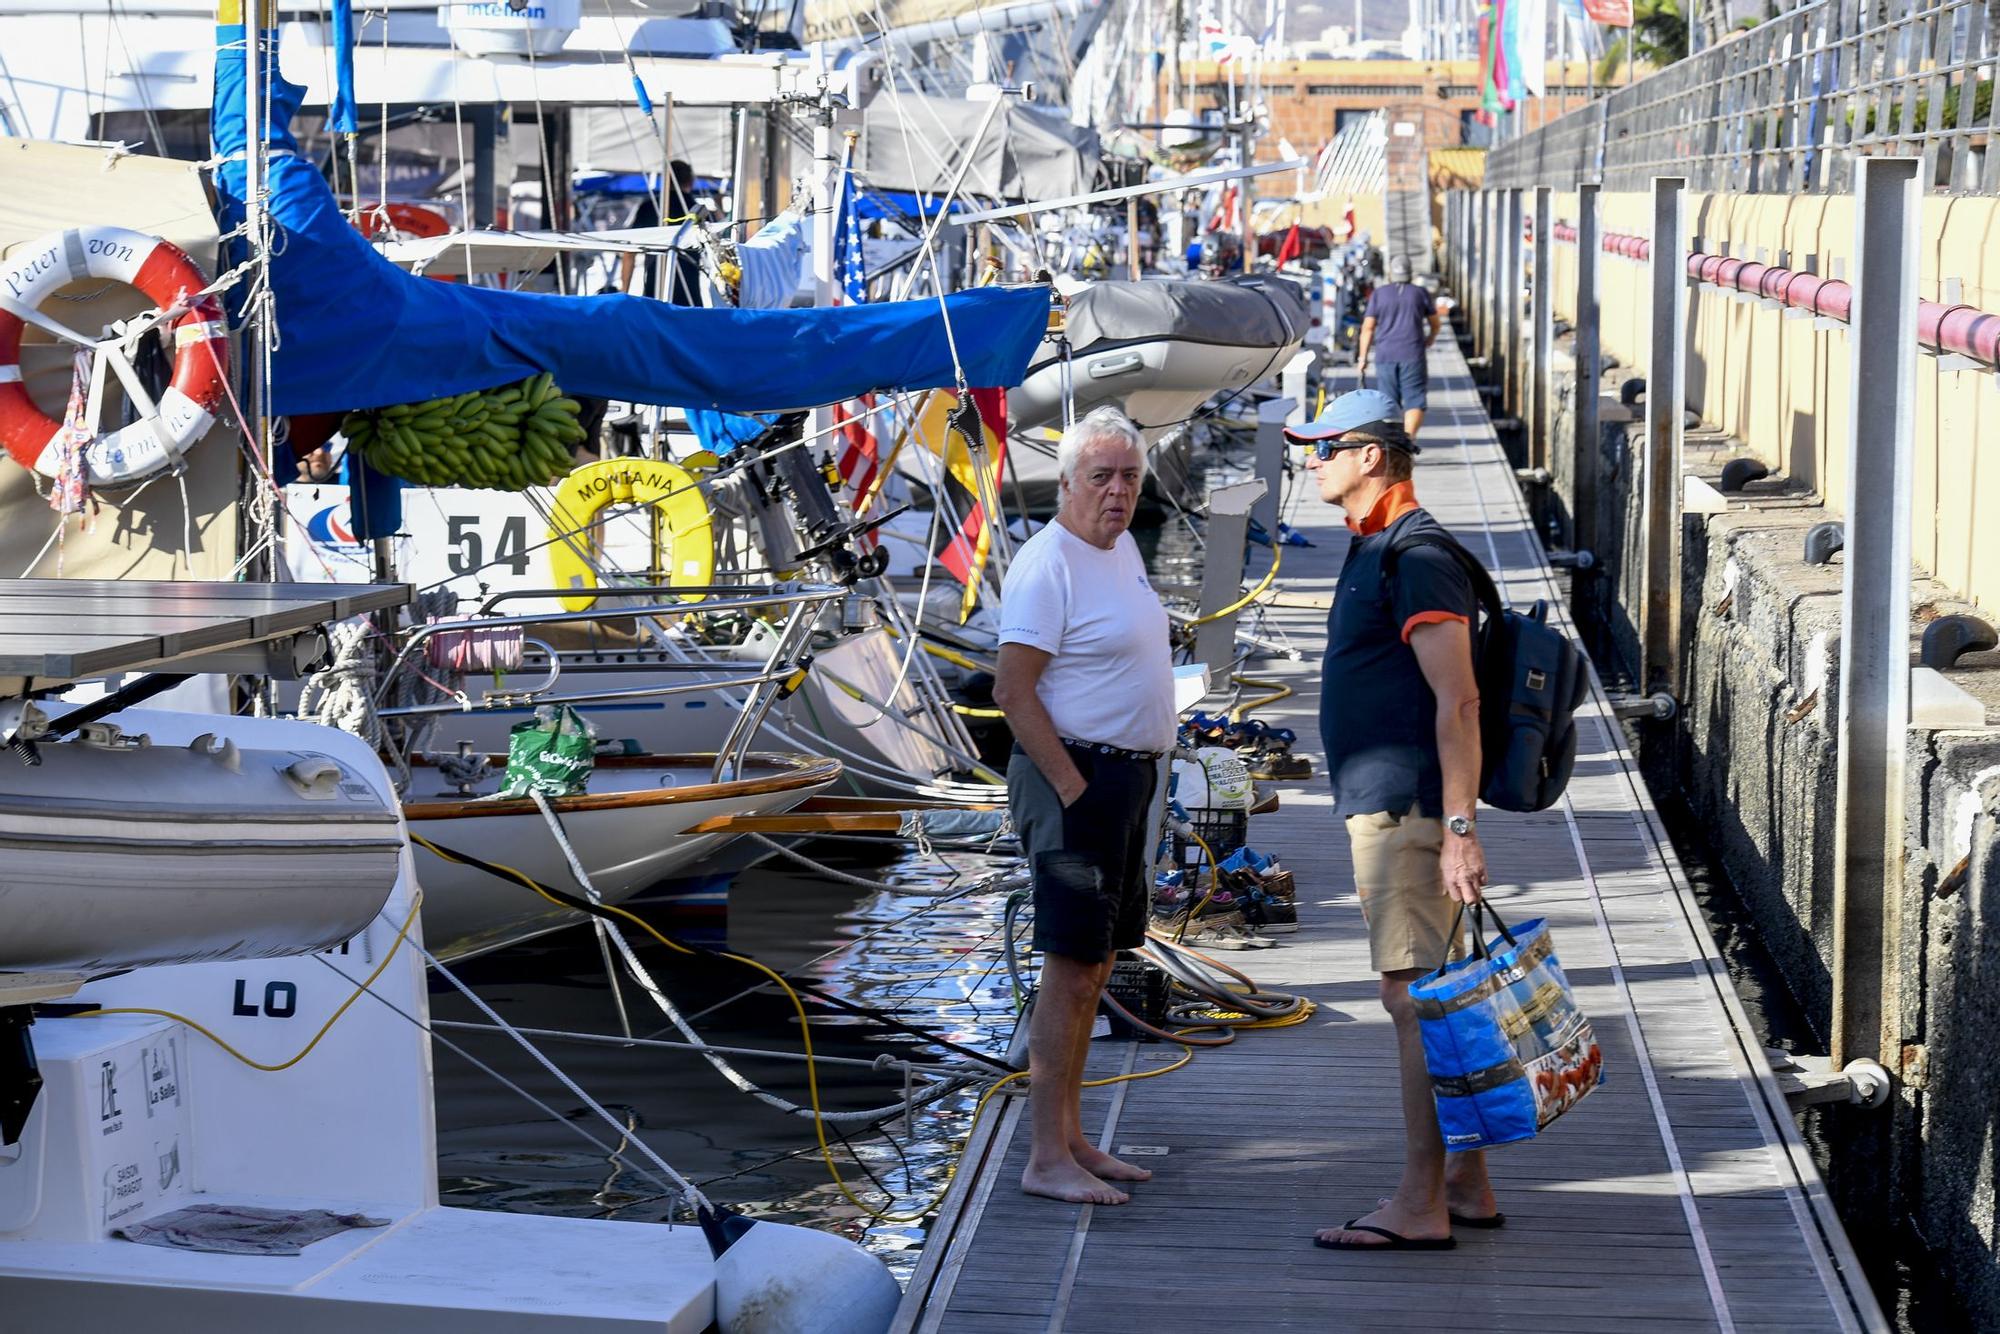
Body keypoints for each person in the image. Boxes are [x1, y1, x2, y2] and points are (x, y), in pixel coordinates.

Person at [1283, 388, 1498, 1252]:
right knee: (1434, 997)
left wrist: (1458, 826)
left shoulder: (1414, 556)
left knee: (1410, 999)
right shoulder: (1378, 545)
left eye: (1325, 447)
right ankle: (1466, 1180)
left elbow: (1461, 701)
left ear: (1372, 456)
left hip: (1408, 808)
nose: (1311, 460)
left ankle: (1419, 1203)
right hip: (1393, 801)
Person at [993, 407, 1175, 1206]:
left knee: (1099, 960)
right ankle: (1044, 1158)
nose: (1117, 491)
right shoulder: (1048, 563)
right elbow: (1012, 690)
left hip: (1124, 782)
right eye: (1100, 476)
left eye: (1129, 476)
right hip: (1076, 784)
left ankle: (1070, 1137)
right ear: (1066, 483)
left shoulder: (1122, 546)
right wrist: (1073, 787)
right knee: (1069, 967)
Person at [1355, 256, 1442, 439]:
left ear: (1390, 273)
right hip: (1413, 354)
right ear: (1410, 273)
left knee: (1388, 401)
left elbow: (1368, 328)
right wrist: (1431, 338)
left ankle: (1394, 442)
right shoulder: (1420, 293)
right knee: (1415, 400)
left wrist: (1363, 358)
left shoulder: (1379, 294)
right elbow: (1435, 323)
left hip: (1385, 355)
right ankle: (1408, 439)